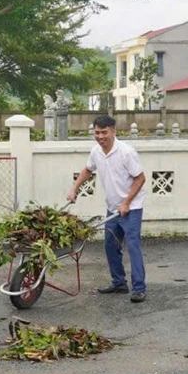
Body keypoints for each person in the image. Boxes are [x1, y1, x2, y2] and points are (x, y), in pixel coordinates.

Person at [67, 114, 147, 303]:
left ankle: (139, 288)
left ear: (113, 131)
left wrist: (127, 203)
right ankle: (119, 283)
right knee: (111, 246)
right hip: (113, 207)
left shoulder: (126, 152)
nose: (100, 136)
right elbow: (88, 170)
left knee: (133, 245)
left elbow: (140, 178)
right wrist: (74, 189)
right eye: (97, 133)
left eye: (104, 132)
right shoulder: (96, 151)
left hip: (131, 207)